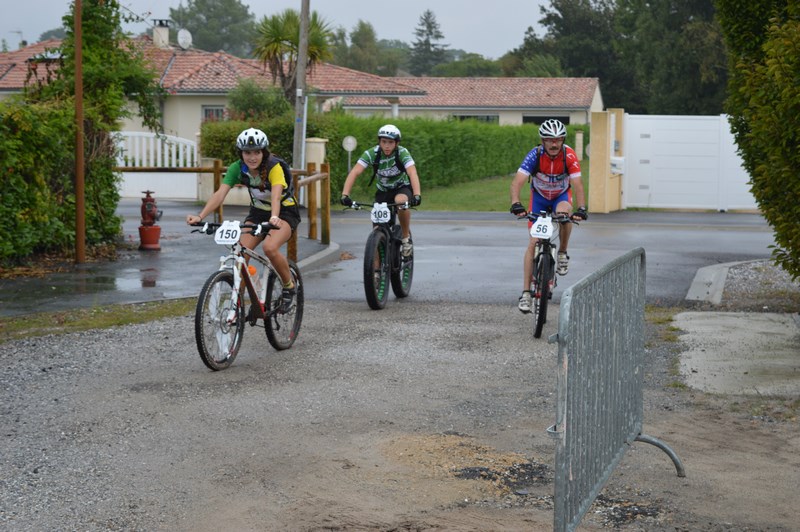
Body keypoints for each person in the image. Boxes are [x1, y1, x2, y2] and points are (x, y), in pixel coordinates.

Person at [186, 127, 301, 312]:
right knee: (241, 252)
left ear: (264, 152)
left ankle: (289, 287)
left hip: (284, 213)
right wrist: (200, 216)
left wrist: (274, 217)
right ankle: (237, 302)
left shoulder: (274, 167)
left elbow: (276, 196)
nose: (252, 157)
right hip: (257, 213)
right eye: (247, 152)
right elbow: (220, 194)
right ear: (241, 153)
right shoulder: (237, 168)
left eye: (257, 152)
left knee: (269, 248)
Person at [509, 119, 588, 313]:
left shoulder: (569, 155)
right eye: (549, 140)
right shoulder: (534, 155)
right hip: (539, 199)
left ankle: (562, 253)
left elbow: (577, 185)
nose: (554, 144)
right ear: (542, 141)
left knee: (564, 215)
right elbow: (517, 182)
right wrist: (516, 203)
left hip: (560, 197)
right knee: (533, 243)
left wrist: (582, 208)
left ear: (563, 140)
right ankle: (526, 293)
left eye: (558, 140)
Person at [339, 124, 422, 257]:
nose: (387, 146)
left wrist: (417, 194)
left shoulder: (402, 153)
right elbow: (355, 172)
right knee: (376, 234)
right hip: (383, 192)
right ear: (379, 142)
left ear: (397, 143)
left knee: (400, 201)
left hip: (402, 188)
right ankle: (376, 273)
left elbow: (412, 173)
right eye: (384, 142)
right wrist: (345, 194)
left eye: (390, 142)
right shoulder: (372, 153)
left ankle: (406, 238)